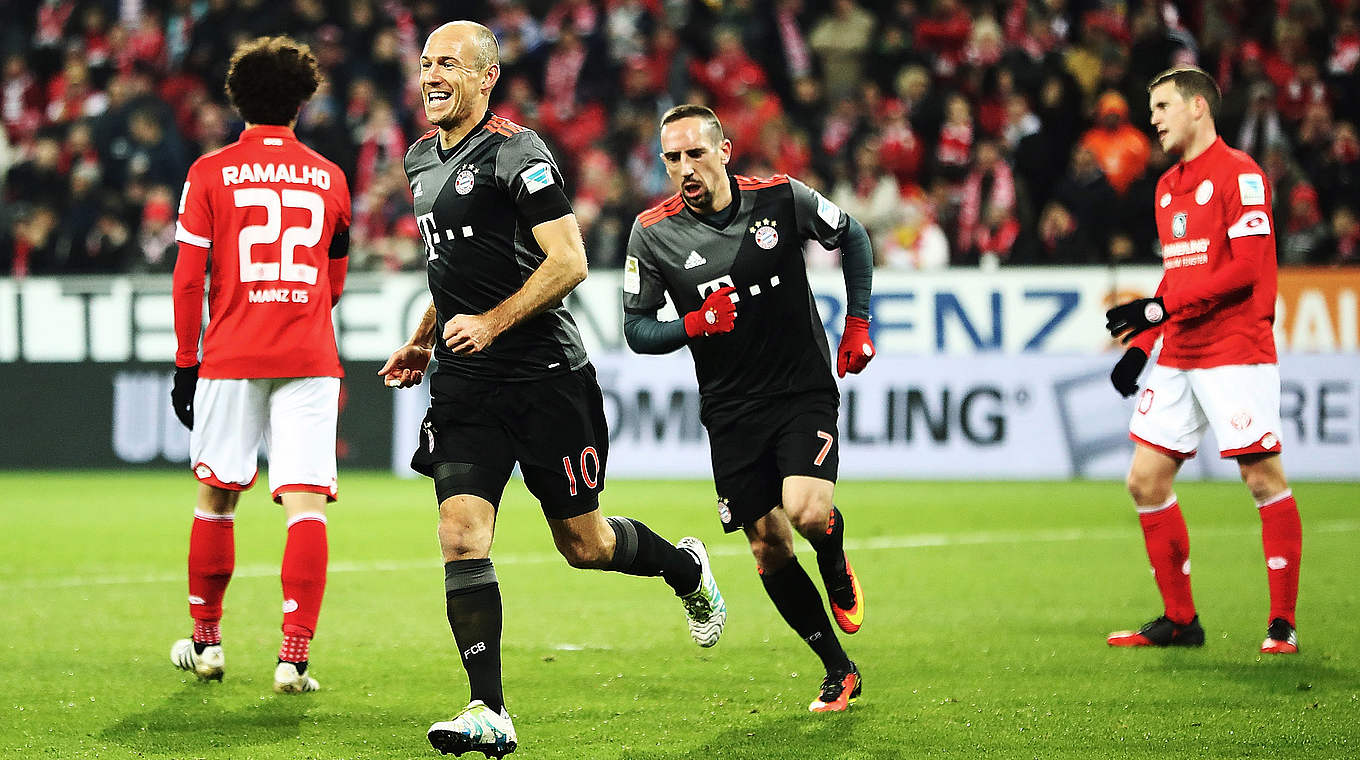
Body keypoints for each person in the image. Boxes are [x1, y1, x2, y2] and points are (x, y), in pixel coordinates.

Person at [377, 22, 724, 759]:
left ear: (486, 77)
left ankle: (684, 567)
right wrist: (422, 335)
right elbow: (454, 272)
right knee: (460, 534)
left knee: (584, 543)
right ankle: (489, 710)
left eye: (450, 65)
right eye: (426, 63)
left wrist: (495, 323)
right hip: (466, 384)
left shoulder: (517, 154)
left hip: (546, 379)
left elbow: (568, 262)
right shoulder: (418, 159)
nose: (432, 76)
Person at [622, 104, 875, 713]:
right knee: (767, 544)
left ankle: (835, 560)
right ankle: (838, 670)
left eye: (695, 153)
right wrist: (693, 323)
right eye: (672, 157)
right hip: (730, 410)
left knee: (808, 512)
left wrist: (859, 323)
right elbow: (635, 328)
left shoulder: (781, 198)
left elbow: (855, 237)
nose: (684, 167)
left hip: (799, 389)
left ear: (724, 150)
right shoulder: (651, 233)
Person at [168, 36, 352, 693]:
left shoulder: (210, 172)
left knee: (217, 493)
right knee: (305, 503)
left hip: (231, 353)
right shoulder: (330, 177)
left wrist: (187, 363)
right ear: (302, 100)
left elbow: (189, 280)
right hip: (307, 354)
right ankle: (293, 657)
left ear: (235, 97)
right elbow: (333, 283)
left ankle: (207, 641)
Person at [1104, 66, 1302, 655]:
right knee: (1144, 480)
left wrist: (1158, 313)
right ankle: (1181, 620)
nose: (1153, 119)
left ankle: (1282, 624)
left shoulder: (1241, 175)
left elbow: (1245, 269)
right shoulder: (1168, 187)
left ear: (1197, 108)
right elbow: (1179, 274)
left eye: (1162, 106)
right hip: (1181, 349)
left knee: (1261, 477)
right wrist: (1141, 345)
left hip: (1236, 348)